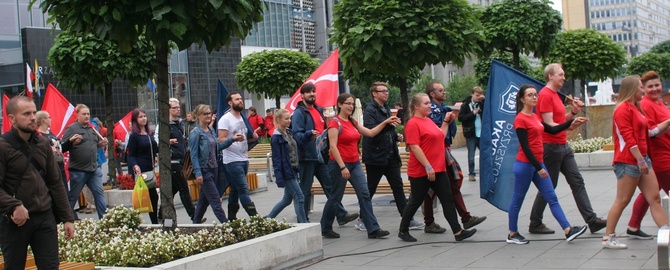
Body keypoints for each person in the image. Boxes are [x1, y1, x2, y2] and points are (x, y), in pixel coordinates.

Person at [529, 63, 606, 234]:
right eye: (561, 74)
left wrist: (573, 114)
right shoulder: (545, 95)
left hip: (563, 145)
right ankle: (535, 222)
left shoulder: (556, 95)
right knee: (550, 185)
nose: (564, 77)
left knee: (577, 181)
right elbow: (549, 125)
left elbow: (559, 121)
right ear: (551, 76)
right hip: (550, 146)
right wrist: (570, 123)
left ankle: (592, 221)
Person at [507, 84, 588, 245]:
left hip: (538, 164)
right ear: (522, 99)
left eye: (535, 94)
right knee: (518, 199)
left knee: (552, 197)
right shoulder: (520, 119)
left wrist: (571, 121)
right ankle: (512, 233)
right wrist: (538, 168)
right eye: (530, 95)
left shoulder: (535, 117)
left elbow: (552, 130)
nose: (534, 97)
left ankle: (568, 230)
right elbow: (525, 147)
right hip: (525, 165)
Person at [0, 96, 75, 269]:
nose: (33, 117)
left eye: (34, 112)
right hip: (14, 221)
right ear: (11, 118)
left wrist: (67, 218)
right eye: (26, 114)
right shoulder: (3, 146)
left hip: (44, 217)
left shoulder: (42, 143)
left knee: (50, 266)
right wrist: (14, 205)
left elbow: (55, 182)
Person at [398, 93, 477, 242]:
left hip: (438, 169)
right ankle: (403, 230)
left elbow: (440, 135)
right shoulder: (413, 123)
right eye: (426, 103)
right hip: (422, 171)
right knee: (415, 201)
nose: (430, 106)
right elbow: (414, 147)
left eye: (429, 103)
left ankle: (458, 232)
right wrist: (428, 167)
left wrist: (446, 122)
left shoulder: (427, 120)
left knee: (447, 199)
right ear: (416, 106)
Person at [603, 75, 670, 249]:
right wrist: (640, 161)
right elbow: (628, 138)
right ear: (633, 88)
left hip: (641, 160)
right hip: (628, 161)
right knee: (622, 200)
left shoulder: (636, 107)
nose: (644, 90)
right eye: (641, 87)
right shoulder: (622, 109)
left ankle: (666, 234)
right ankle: (608, 237)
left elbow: (650, 132)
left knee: (654, 198)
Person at [321, 93, 398, 239]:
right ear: (339, 105)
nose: (351, 106)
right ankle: (325, 227)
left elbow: (370, 133)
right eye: (347, 104)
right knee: (335, 198)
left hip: (355, 163)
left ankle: (373, 229)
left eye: (352, 104)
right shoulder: (335, 123)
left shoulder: (352, 122)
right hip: (339, 164)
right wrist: (343, 167)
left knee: (364, 194)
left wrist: (385, 122)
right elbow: (333, 146)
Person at [292, 83, 357, 224]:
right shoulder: (299, 113)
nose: (312, 94)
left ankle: (341, 215)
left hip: (320, 157)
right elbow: (296, 135)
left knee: (330, 187)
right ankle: (303, 221)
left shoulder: (319, 110)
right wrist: (308, 134)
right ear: (302, 95)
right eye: (308, 92)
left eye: (314, 91)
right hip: (306, 157)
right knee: (305, 190)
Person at [361, 82, 423, 231]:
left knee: (398, 187)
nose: (386, 93)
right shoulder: (370, 110)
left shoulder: (386, 109)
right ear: (374, 93)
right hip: (375, 157)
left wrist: (396, 136)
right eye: (383, 91)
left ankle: (407, 218)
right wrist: (387, 124)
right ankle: (363, 218)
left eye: (387, 91)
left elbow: (387, 130)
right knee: (370, 188)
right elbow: (370, 131)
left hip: (390, 156)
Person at [426, 82, 486, 233]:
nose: (444, 92)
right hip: (435, 153)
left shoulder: (443, 108)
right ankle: (418, 223)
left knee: (450, 184)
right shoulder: (432, 111)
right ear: (432, 94)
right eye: (441, 90)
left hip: (443, 150)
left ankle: (463, 218)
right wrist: (446, 121)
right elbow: (434, 133)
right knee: (429, 190)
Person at [627, 71, 670, 239]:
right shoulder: (645, 105)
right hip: (660, 157)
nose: (655, 89)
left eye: (657, 85)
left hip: (664, 154)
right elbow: (651, 132)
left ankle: (633, 226)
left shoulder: (660, 103)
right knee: (650, 194)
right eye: (650, 86)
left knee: (649, 193)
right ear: (643, 89)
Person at [61, 104, 108, 220]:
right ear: (77, 115)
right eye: (84, 114)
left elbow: (94, 145)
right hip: (79, 171)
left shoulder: (93, 128)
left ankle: (105, 220)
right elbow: (62, 147)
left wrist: (101, 145)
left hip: (94, 169)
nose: (87, 116)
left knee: (99, 194)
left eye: (88, 114)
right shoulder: (71, 129)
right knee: (72, 197)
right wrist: (71, 141)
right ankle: (66, 220)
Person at [217, 91, 260, 219]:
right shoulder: (225, 119)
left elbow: (245, 138)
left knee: (235, 189)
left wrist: (253, 138)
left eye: (241, 99)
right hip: (232, 160)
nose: (240, 101)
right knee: (243, 189)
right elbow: (221, 139)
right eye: (237, 99)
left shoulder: (243, 117)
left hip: (244, 158)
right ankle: (255, 218)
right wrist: (233, 139)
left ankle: (231, 218)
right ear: (230, 103)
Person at [155, 98, 198, 222]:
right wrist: (167, 142)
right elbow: (156, 142)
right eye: (174, 107)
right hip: (172, 161)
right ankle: (194, 216)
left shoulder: (180, 123)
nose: (178, 109)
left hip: (182, 159)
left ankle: (160, 215)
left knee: (172, 190)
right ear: (168, 109)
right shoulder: (163, 124)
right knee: (184, 188)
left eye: (179, 107)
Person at [267, 109, 309, 222]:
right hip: (287, 172)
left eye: (289, 118)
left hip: (294, 170)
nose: (289, 120)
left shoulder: (289, 133)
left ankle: (268, 218)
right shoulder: (276, 137)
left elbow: (299, 145)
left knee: (287, 200)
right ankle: (303, 224)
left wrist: (308, 135)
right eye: (286, 119)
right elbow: (276, 159)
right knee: (299, 197)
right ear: (279, 120)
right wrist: (279, 177)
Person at [190, 104, 230, 223]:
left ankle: (195, 223)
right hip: (204, 170)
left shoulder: (211, 130)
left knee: (203, 201)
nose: (209, 116)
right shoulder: (195, 133)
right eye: (205, 114)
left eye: (209, 113)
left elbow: (217, 147)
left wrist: (232, 140)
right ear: (198, 116)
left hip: (214, 168)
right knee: (215, 200)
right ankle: (226, 225)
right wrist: (198, 173)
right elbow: (194, 155)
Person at [126, 108, 159, 224]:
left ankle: (154, 220)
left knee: (152, 196)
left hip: (150, 168)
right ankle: (153, 222)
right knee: (150, 196)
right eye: (140, 117)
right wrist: (135, 166)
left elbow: (155, 149)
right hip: (142, 170)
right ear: (135, 120)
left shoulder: (149, 134)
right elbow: (130, 155)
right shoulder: (134, 136)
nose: (144, 118)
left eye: (144, 116)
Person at [35, 111, 67, 193]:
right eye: (49, 117)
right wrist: (48, 150)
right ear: (43, 120)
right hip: (50, 168)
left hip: (60, 166)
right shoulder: (38, 135)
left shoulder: (50, 133)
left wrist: (70, 142)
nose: (51, 120)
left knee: (64, 192)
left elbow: (60, 148)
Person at [458, 86, 485, 182]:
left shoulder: (482, 103)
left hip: (481, 132)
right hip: (471, 133)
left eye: (480, 95)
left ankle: (485, 172)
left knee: (485, 154)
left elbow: (488, 111)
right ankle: (471, 173)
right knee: (471, 156)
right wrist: (472, 113)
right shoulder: (465, 105)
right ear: (472, 94)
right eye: (477, 95)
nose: (478, 97)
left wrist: (484, 101)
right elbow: (461, 118)